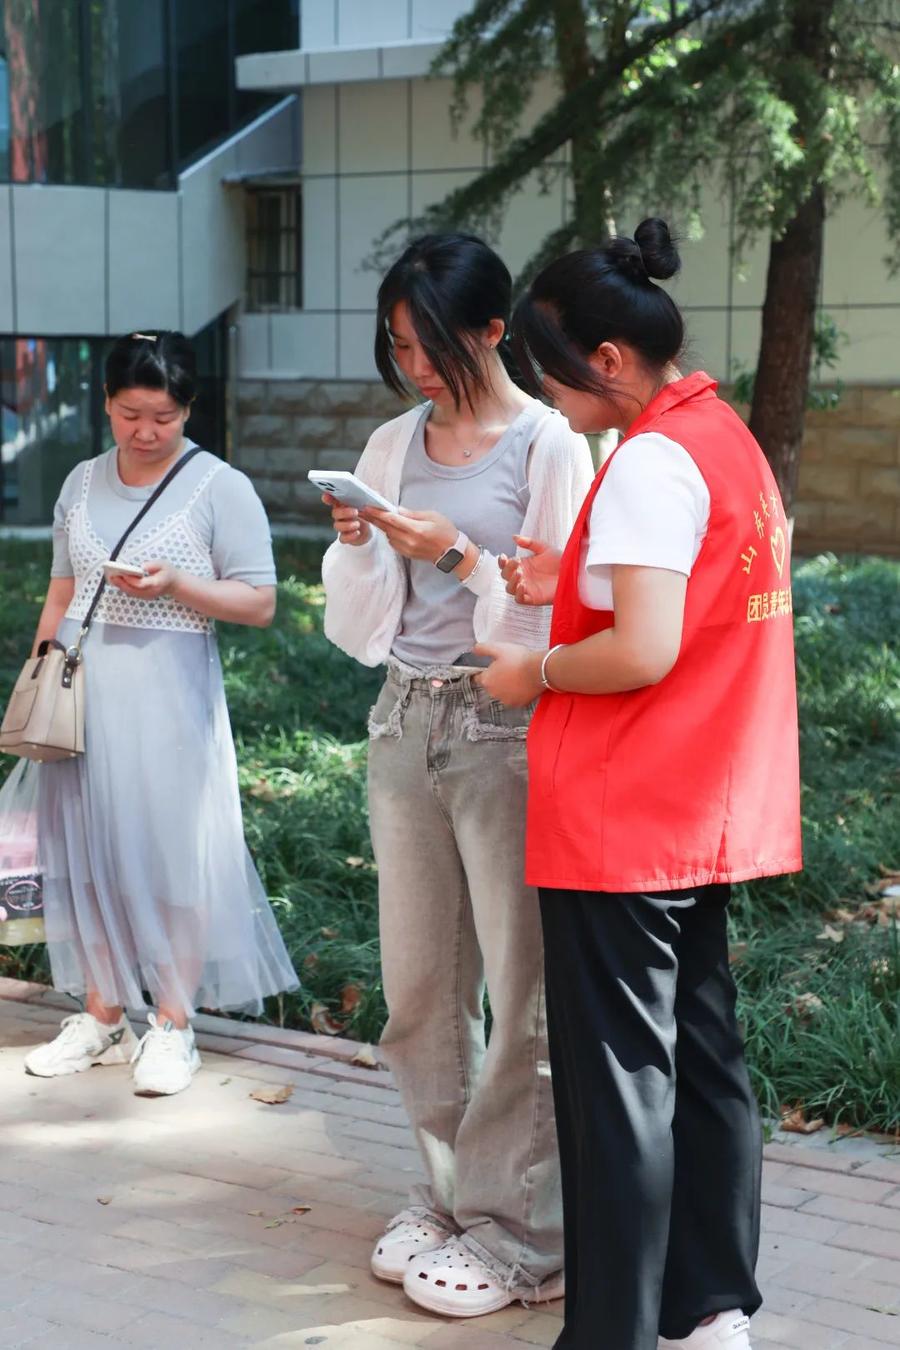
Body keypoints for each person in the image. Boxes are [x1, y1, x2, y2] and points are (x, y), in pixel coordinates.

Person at [475, 219, 802, 1349]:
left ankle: (610, 1332)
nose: (549, 398)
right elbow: (693, 595)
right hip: (701, 801)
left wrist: (532, 671)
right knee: (704, 1063)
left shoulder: (648, 461)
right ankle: (710, 1310)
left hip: (623, 810)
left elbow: (645, 648)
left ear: (608, 359)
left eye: (553, 375)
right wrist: (573, 573)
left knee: (618, 1088)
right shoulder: (724, 438)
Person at [321, 234, 593, 1317]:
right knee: (422, 991)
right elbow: (360, 629)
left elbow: (559, 616)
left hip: (505, 728)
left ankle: (521, 1235)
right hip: (403, 718)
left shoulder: (549, 444)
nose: (417, 367)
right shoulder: (393, 442)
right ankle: (446, 1200)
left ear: (493, 330)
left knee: (522, 993)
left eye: (433, 344)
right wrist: (359, 541)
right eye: (399, 346)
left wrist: (456, 555)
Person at [24, 331, 298, 1097]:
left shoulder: (218, 486)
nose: (145, 432)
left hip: (168, 697)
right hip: (81, 693)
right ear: (106, 402)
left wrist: (177, 583)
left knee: (173, 856)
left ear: (190, 408)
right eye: (129, 413)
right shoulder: (80, 481)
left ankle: (174, 1025)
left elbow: (260, 601)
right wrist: (39, 680)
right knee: (86, 855)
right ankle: (103, 1014)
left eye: (164, 417)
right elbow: (61, 589)